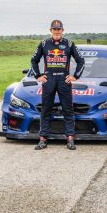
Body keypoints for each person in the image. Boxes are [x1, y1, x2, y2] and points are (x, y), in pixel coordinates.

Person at [30, 19, 85, 150]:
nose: (56, 31)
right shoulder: (44, 44)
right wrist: (38, 76)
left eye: (59, 29)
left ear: (62, 30)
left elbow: (81, 61)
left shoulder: (69, 44)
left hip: (63, 80)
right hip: (48, 80)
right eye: (54, 29)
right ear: (50, 30)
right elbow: (33, 60)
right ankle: (43, 139)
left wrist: (75, 76)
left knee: (68, 109)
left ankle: (70, 138)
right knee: (45, 109)